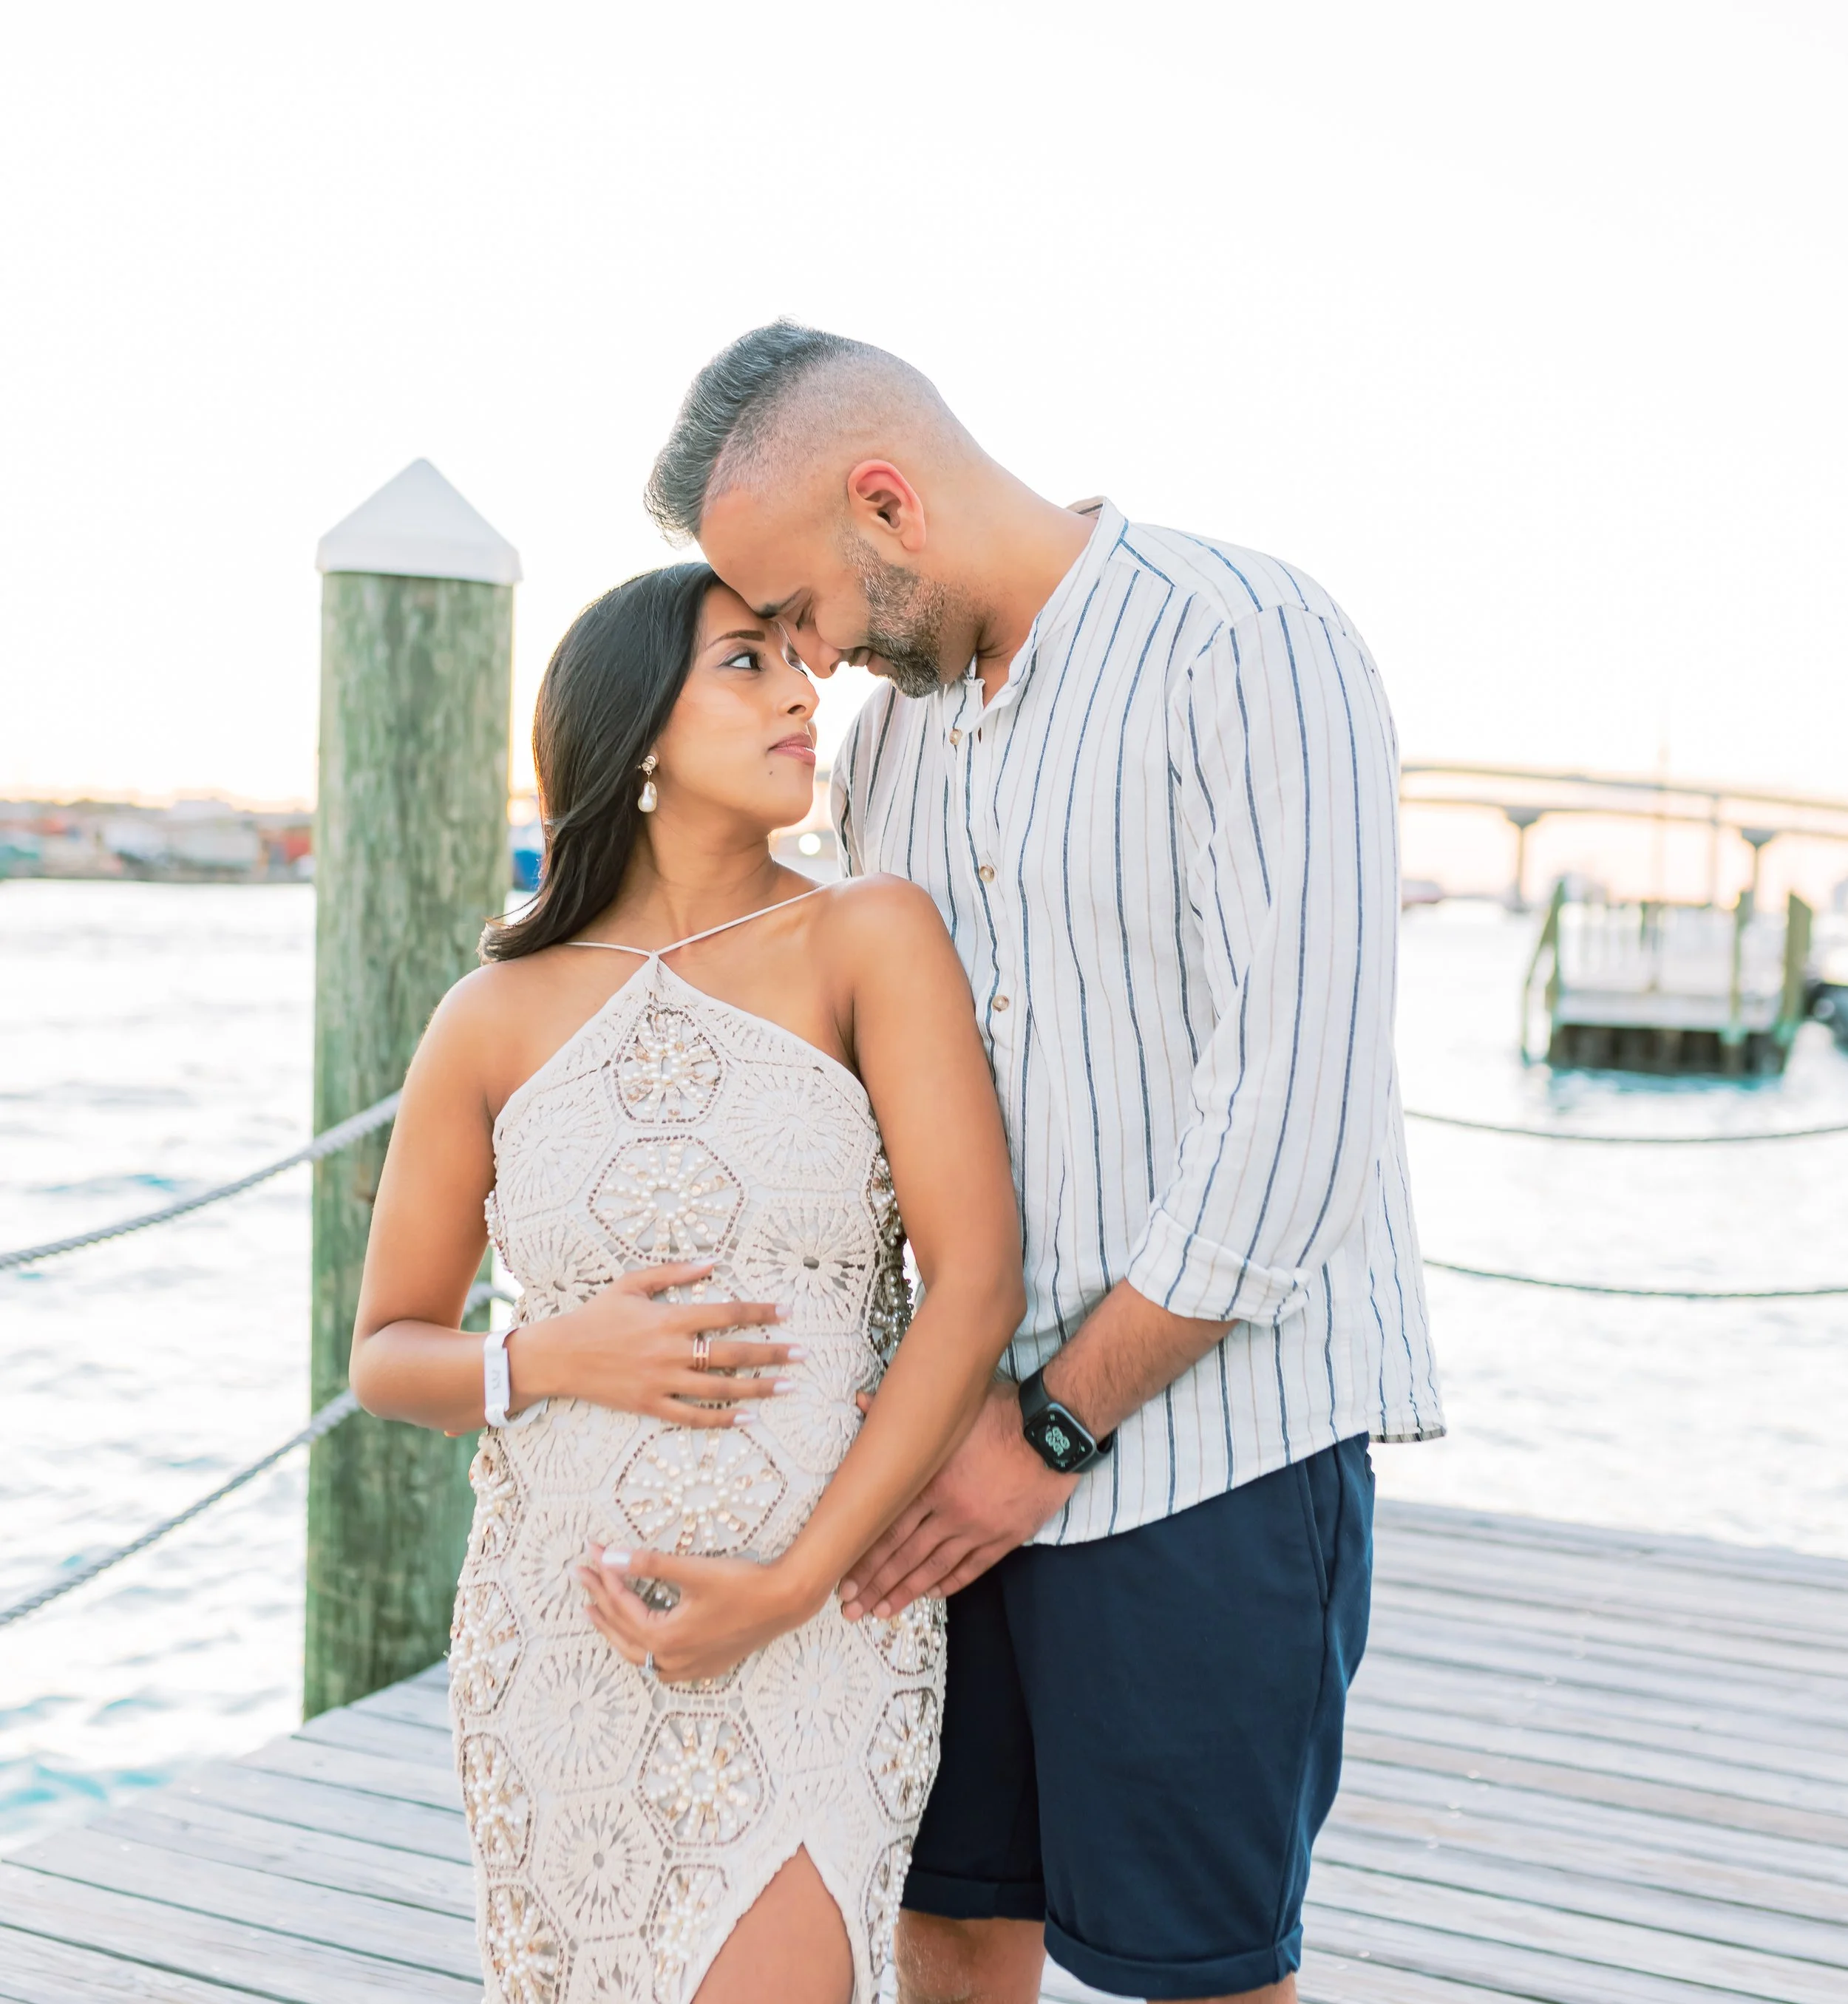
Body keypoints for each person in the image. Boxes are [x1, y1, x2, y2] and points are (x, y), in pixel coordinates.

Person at [645, 324, 1447, 2004]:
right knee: (945, 1919)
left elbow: (1295, 1124)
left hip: (1209, 1456)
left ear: (887, 502)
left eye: (801, 610)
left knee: (1199, 1973)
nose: (810, 664)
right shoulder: (890, 748)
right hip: (949, 1461)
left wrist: (1051, 1429)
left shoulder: (1246, 642)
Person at [347, 561, 1025, 2004]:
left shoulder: (866, 935)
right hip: (562, 1634)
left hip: (818, 1621)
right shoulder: (491, 1013)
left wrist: (792, 1582)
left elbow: (975, 1285)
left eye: (796, 661)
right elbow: (386, 1351)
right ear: (636, 727)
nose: (800, 692)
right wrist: (542, 1356)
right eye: (745, 661)